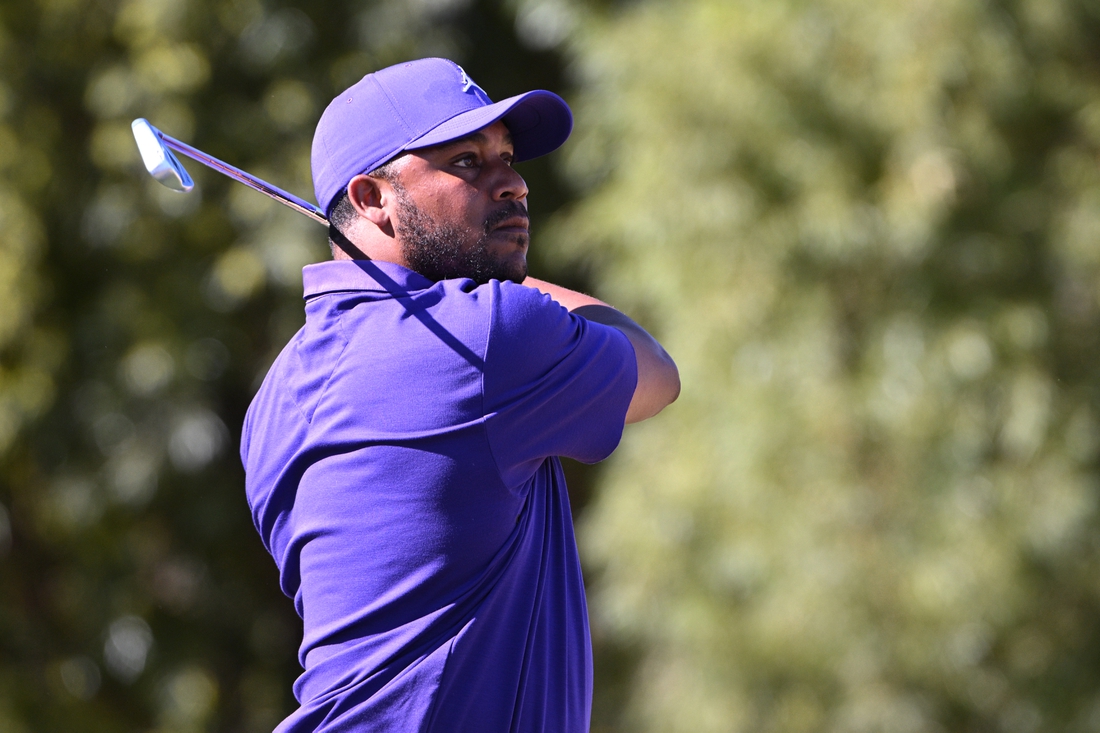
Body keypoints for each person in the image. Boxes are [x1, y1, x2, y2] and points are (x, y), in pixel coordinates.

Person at [240, 57, 679, 733]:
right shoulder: (490, 337)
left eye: (507, 156)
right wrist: (508, 286)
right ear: (369, 197)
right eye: (469, 163)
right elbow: (654, 369)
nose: (514, 184)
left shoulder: (272, 399)